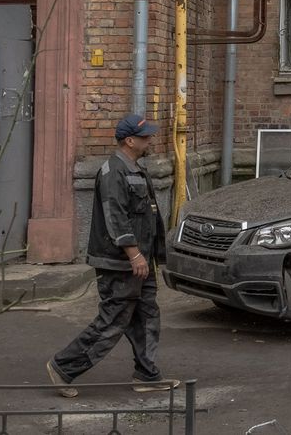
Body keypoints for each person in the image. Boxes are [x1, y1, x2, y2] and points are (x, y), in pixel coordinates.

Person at [47, 114, 176, 397]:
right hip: (120, 263)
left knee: (146, 317)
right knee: (113, 320)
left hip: (140, 262)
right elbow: (115, 216)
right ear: (130, 141)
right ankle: (63, 367)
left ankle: (147, 374)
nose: (150, 140)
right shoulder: (113, 172)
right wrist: (134, 255)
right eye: (145, 137)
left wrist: (150, 256)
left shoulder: (134, 168)